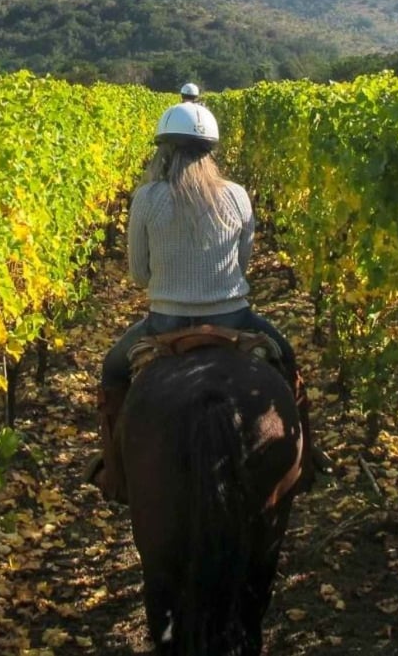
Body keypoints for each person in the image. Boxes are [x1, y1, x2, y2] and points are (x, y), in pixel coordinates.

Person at [87, 102, 318, 504]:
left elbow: (139, 274)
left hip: (164, 324)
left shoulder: (147, 197)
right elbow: (241, 265)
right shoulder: (237, 196)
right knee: (287, 358)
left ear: (164, 150)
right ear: (211, 150)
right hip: (234, 317)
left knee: (112, 370)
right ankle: (308, 459)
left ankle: (115, 471)